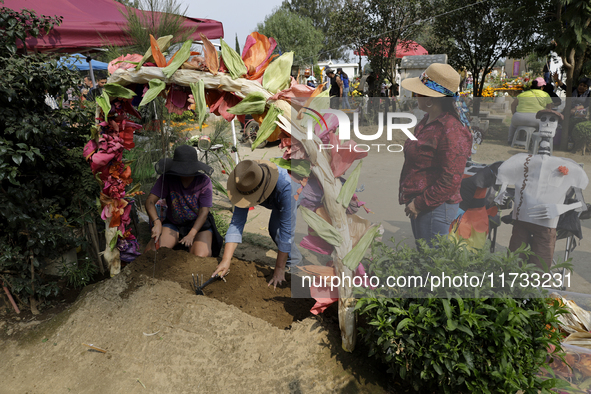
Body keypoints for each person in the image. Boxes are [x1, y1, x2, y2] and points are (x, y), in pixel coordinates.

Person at [495, 109, 588, 269]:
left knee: (540, 267)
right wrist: (501, 193)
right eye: (543, 118)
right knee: (513, 264)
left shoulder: (570, 166)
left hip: (546, 224)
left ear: (558, 126)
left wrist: (561, 208)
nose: (546, 122)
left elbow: (582, 205)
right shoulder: (521, 160)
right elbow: (504, 180)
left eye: (552, 120)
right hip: (521, 221)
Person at [399, 63, 473, 245]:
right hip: (422, 204)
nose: (415, 96)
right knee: (425, 259)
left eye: (418, 92)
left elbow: (451, 178)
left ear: (431, 98)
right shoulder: (427, 120)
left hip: (435, 207)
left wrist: (419, 203)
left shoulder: (451, 129)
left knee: (432, 264)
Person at [212, 160, 301, 288]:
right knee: (274, 230)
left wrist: (279, 269)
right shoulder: (245, 182)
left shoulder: (287, 187)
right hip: (276, 197)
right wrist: (226, 260)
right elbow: (237, 222)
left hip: (295, 191)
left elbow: (287, 231)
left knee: (278, 230)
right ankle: (290, 259)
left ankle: (295, 264)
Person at [145, 145, 222, 257]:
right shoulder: (167, 178)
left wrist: (192, 234)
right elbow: (150, 201)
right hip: (174, 223)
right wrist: (156, 222)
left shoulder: (203, 181)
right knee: (151, 253)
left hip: (198, 225)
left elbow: (204, 212)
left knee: (201, 256)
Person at [507, 77, 553, 144]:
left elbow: (513, 105)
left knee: (513, 125)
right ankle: (539, 142)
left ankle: (510, 140)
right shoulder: (545, 95)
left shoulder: (523, 94)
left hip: (519, 118)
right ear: (542, 87)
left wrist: (515, 114)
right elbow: (549, 109)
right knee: (543, 125)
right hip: (536, 119)